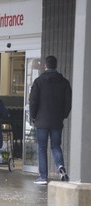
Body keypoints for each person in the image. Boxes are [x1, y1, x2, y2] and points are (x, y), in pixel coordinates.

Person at [29, 55, 72, 185]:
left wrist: (33, 116)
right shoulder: (64, 82)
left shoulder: (38, 81)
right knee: (55, 146)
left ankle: (43, 177)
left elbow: (33, 101)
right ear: (56, 65)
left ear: (45, 66)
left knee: (42, 148)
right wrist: (63, 115)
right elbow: (68, 102)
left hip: (41, 121)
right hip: (56, 121)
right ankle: (60, 167)